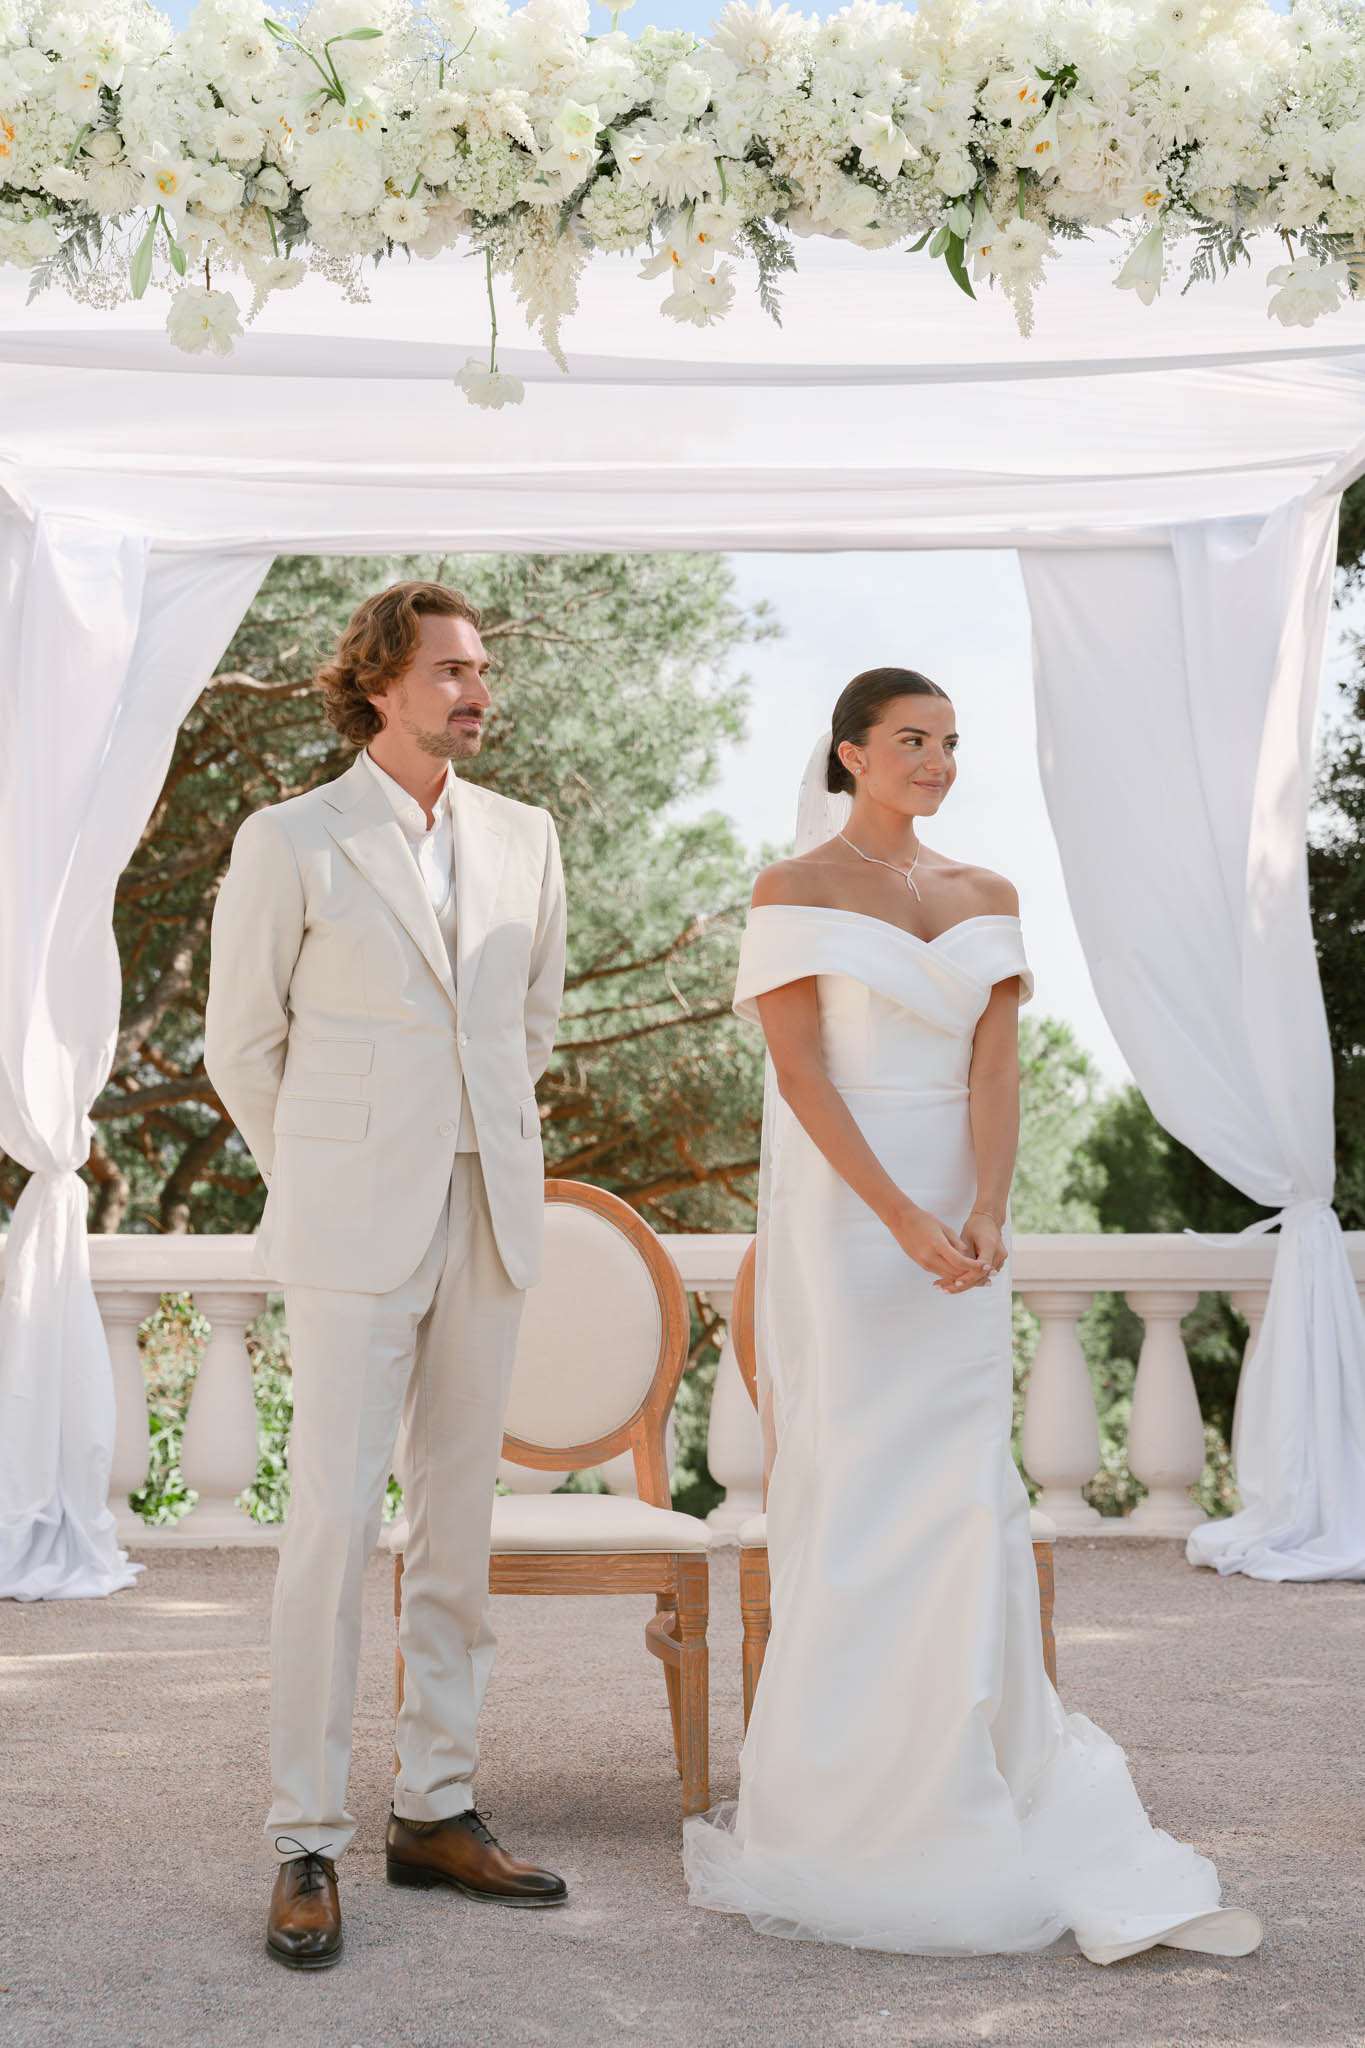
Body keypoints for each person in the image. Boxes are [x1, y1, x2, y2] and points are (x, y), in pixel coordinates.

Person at [682, 667, 1264, 1967]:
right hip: (850, 1217)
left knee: (959, 1487)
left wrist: (989, 1207)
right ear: (849, 754)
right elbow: (798, 1074)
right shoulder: (792, 894)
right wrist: (896, 1217)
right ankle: (851, 1798)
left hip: (959, 1212)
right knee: (858, 1484)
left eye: (948, 742)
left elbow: (993, 1064)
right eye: (910, 741)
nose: (936, 761)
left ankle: (974, 1765)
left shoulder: (987, 895)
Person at [205, 580, 569, 1970]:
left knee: (458, 1533)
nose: (478, 691)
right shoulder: (291, 839)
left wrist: (472, 1142)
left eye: (483, 671)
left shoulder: (525, 838)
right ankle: (307, 1837)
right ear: (376, 682)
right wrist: (333, 1163)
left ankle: (436, 1807)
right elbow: (243, 1045)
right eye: (452, 672)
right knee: (330, 1534)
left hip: (489, 1211)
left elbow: (529, 1019)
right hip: (352, 1226)